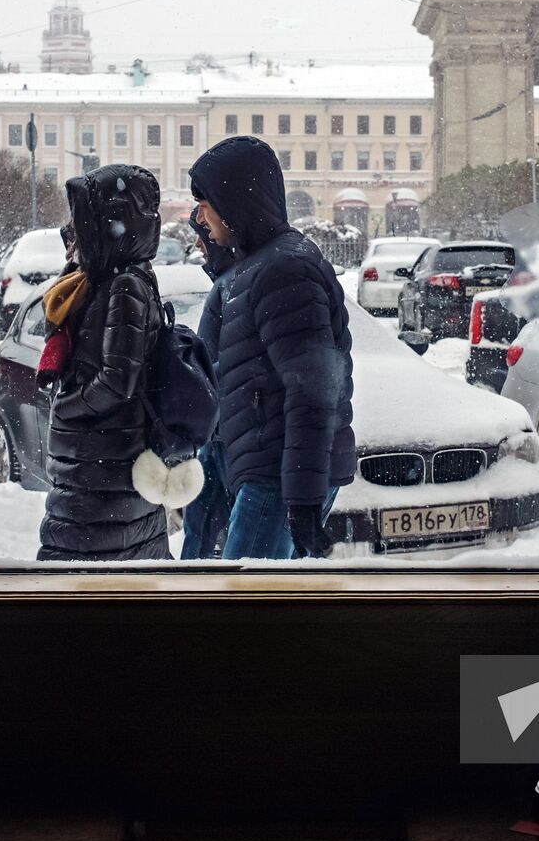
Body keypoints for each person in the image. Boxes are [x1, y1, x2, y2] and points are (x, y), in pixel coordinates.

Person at [188, 135, 355, 559]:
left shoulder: (284, 270)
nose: (199, 216)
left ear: (234, 201)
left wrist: (300, 500)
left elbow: (314, 393)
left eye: (205, 202)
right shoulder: (264, 262)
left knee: (242, 609)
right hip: (267, 468)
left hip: (278, 478)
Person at [37, 164, 170, 561]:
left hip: (104, 474)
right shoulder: (96, 280)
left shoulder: (125, 285)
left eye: (81, 219)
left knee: (82, 592)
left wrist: (68, 407)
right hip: (95, 473)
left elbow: (117, 378)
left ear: (111, 222)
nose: (72, 230)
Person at [178, 206, 234, 559]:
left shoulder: (236, 285)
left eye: (202, 233)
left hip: (230, 435)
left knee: (248, 555)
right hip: (217, 438)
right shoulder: (223, 282)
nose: (199, 243)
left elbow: (231, 363)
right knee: (197, 532)